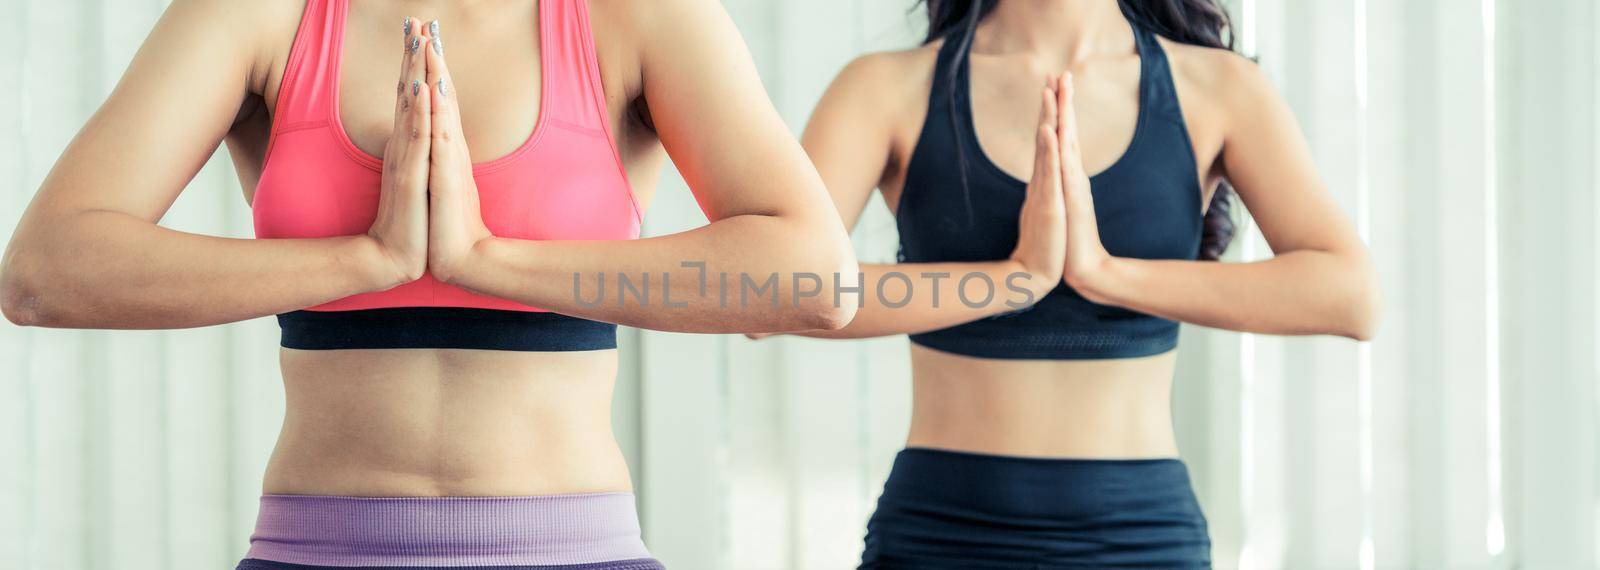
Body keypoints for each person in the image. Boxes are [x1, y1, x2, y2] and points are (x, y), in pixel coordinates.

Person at [0, 0, 858, 568]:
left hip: (574, 550)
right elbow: (46, 273)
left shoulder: (634, 13)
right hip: (314, 549)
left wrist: (486, 258)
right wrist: (366, 259)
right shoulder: (258, 10)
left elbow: (816, 280)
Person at [791, 0, 1380, 567]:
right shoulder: (885, 89)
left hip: (1139, 536)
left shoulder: (1220, 88)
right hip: (939, 528)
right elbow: (779, 294)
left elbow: (1351, 296)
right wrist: (1008, 281)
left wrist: (1107, 274)